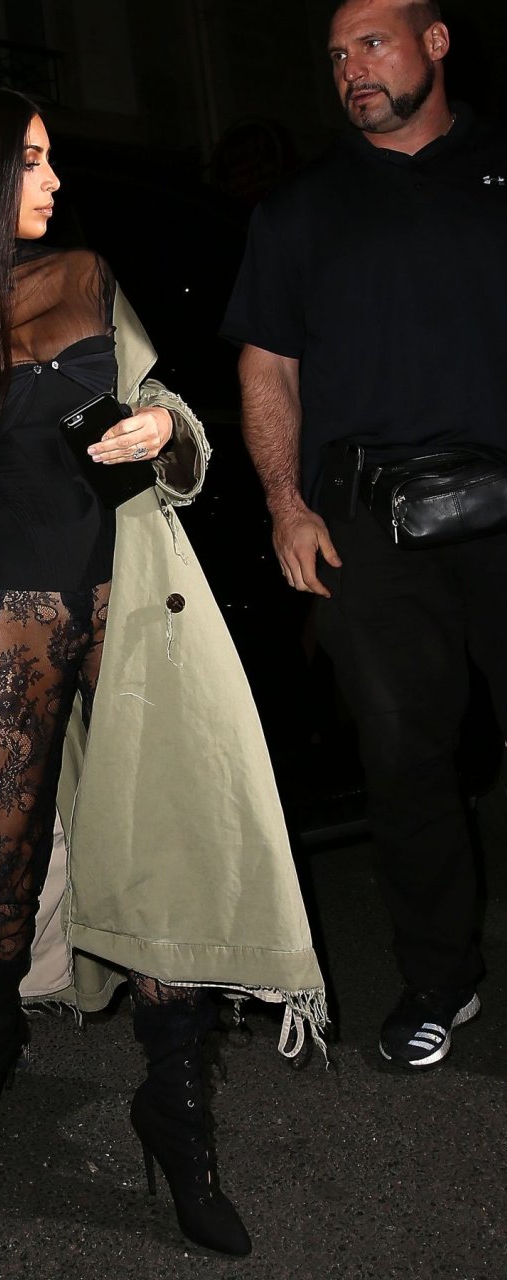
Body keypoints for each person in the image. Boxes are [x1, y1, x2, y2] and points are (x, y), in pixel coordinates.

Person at [0, 86, 327, 1257]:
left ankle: (176, 1106)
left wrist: (165, 431)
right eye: (31, 162)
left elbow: (162, 410)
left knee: (166, 837)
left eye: (53, 160)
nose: (54, 182)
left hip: (127, 602)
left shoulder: (90, 275)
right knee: (0, 872)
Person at [224, 0, 507, 1070]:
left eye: (372, 43)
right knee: (402, 759)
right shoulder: (300, 208)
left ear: (435, 42)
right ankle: (439, 979)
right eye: (338, 54)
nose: (351, 68)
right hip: (367, 523)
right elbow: (267, 365)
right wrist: (284, 504)